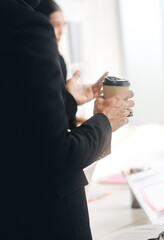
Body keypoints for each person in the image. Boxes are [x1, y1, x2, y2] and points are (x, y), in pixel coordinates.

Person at [0, 1, 135, 240]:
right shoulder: (25, 26)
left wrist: (69, 100)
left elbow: (19, 123)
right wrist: (105, 121)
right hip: (38, 219)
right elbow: (57, 156)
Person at [35, 0, 86, 127]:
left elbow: (59, 110)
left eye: (62, 25)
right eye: (55, 24)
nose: (61, 32)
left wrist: (73, 120)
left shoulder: (60, 60)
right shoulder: (33, 62)